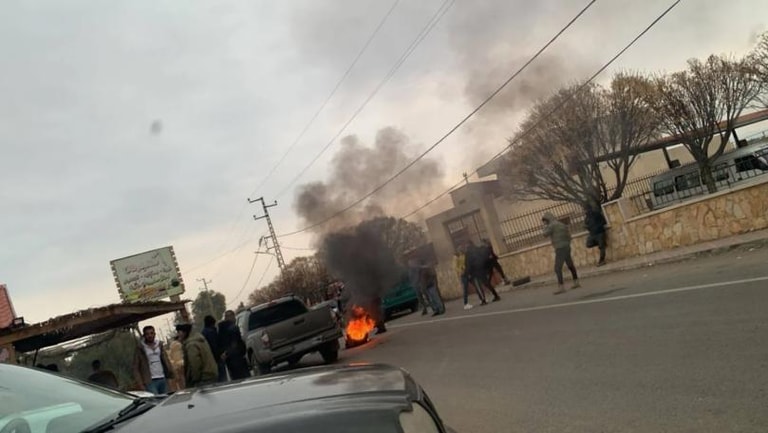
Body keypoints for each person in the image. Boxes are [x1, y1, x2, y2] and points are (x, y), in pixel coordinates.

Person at [542, 212, 581, 294]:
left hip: (560, 248)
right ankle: (576, 282)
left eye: (544, 221)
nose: (544, 222)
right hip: (567, 247)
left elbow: (544, 234)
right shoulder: (561, 224)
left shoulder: (551, 226)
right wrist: (567, 243)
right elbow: (569, 236)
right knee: (570, 265)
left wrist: (545, 227)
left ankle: (561, 287)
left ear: (547, 219)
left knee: (557, 268)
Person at [132, 325, 174, 395]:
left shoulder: (159, 345)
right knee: (155, 399)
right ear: (144, 335)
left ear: (154, 334)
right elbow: (135, 367)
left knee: (166, 398)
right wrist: (140, 384)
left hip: (163, 378)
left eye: (151, 333)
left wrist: (171, 373)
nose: (150, 336)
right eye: (147, 334)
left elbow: (166, 360)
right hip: (150, 381)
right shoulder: (140, 348)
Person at [175, 322, 218, 388]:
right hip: (211, 373)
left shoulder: (191, 345)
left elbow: (195, 363)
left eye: (179, 332)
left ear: (184, 332)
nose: (178, 335)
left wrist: (194, 380)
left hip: (203, 378)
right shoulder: (199, 339)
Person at [217, 310, 250, 380]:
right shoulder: (233, 328)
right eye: (233, 316)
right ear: (229, 317)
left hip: (229, 360)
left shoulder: (221, 329)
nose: (235, 318)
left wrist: (225, 353)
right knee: (245, 378)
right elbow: (234, 343)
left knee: (235, 379)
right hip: (237, 358)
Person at [454, 244, 483, 310]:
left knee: (476, 285)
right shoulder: (456, 256)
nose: (462, 249)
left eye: (462, 248)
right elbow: (455, 267)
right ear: (458, 249)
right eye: (460, 248)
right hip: (463, 274)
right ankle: (465, 304)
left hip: (468, 272)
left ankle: (481, 299)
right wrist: (461, 271)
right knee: (465, 289)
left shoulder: (464, 255)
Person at [202, 315, 227, 382]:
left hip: (209, 359)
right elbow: (215, 345)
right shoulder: (211, 332)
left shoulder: (203, 332)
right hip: (217, 358)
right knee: (222, 379)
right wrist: (220, 355)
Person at [585, 202, 608, 266]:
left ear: (589, 208)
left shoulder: (596, 214)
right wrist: (587, 227)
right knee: (588, 244)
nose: (585, 211)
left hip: (600, 232)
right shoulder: (587, 217)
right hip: (592, 234)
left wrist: (598, 226)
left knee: (601, 247)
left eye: (586, 209)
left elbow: (603, 221)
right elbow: (586, 224)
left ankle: (602, 261)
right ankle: (601, 243)